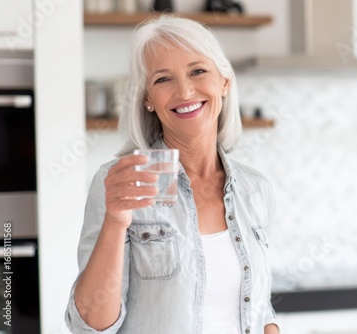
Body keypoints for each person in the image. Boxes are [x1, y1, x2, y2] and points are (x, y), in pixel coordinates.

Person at [65, 14, 279, 334]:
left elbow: (259, 304)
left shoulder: (255, 188)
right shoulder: (121, 183)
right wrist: (116, 220)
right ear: (147, 99)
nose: (185, 91)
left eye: (198, 71)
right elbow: (91, 325)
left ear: (224, 82)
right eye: (163, 79)